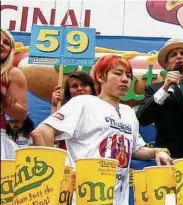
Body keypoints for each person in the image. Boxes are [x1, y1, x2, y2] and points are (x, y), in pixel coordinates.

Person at [31, 55, 172, 204]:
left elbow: (136, 149)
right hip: (83, 198)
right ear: (100, 76)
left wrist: (157, 151)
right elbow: (41, 133)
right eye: (118, 73)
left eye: (128, 75)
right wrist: (54, 181)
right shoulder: (83, 102)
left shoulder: (129, 112)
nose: (125, 79)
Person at [1, 28, 28, 159]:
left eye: (6, 42)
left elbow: (21, 114)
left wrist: (4, 98)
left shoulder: (12, 74)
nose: (1, 44)